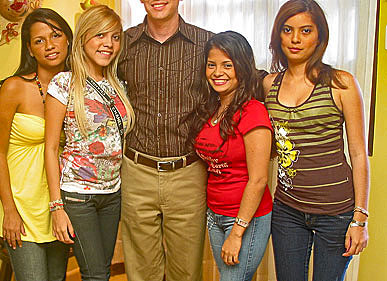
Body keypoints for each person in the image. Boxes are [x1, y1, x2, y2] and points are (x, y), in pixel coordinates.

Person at [263, 1, 370, 280]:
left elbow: (358, 154)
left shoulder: (341, 83)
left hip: (336, 213)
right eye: (287, 30)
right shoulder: (268, 85)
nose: (295, 39)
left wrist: (360, 219)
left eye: (305, 31)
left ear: (320, 36)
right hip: (287, 210)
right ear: (279, 35)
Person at [117, 1, 214, 280]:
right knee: (142, 272)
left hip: (188, 174)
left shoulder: (205, 43)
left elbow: (238, 80)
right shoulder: (123, 44)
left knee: (186, 271)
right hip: (137, 172)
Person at [44, 5, 135, 281]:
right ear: (84, 38)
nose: (109, 44)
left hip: (112, 193)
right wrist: (57, 208)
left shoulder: (118, 83)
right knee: (95, 274)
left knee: (101, 272)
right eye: (100, 35)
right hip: (77, 195)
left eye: (115, 37)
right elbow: (50, 148)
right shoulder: (64, 83)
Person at [0, 8, 73, 281]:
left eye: (55, 35)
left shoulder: (78, 88)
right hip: (22, 207)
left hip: (59, 206)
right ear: (30, 49)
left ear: (68, 39)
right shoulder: (13, 88)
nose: (49, 45)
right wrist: (9, 211)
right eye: (39, 40)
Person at [188, 31, 273, 281]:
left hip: (246, 220)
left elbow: (258, 180)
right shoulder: (212, 106)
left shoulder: (253, 111)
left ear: (242, 68)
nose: (218, 72)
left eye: (227, 65)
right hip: (215, 214)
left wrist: (237, 232)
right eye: (211, 65)